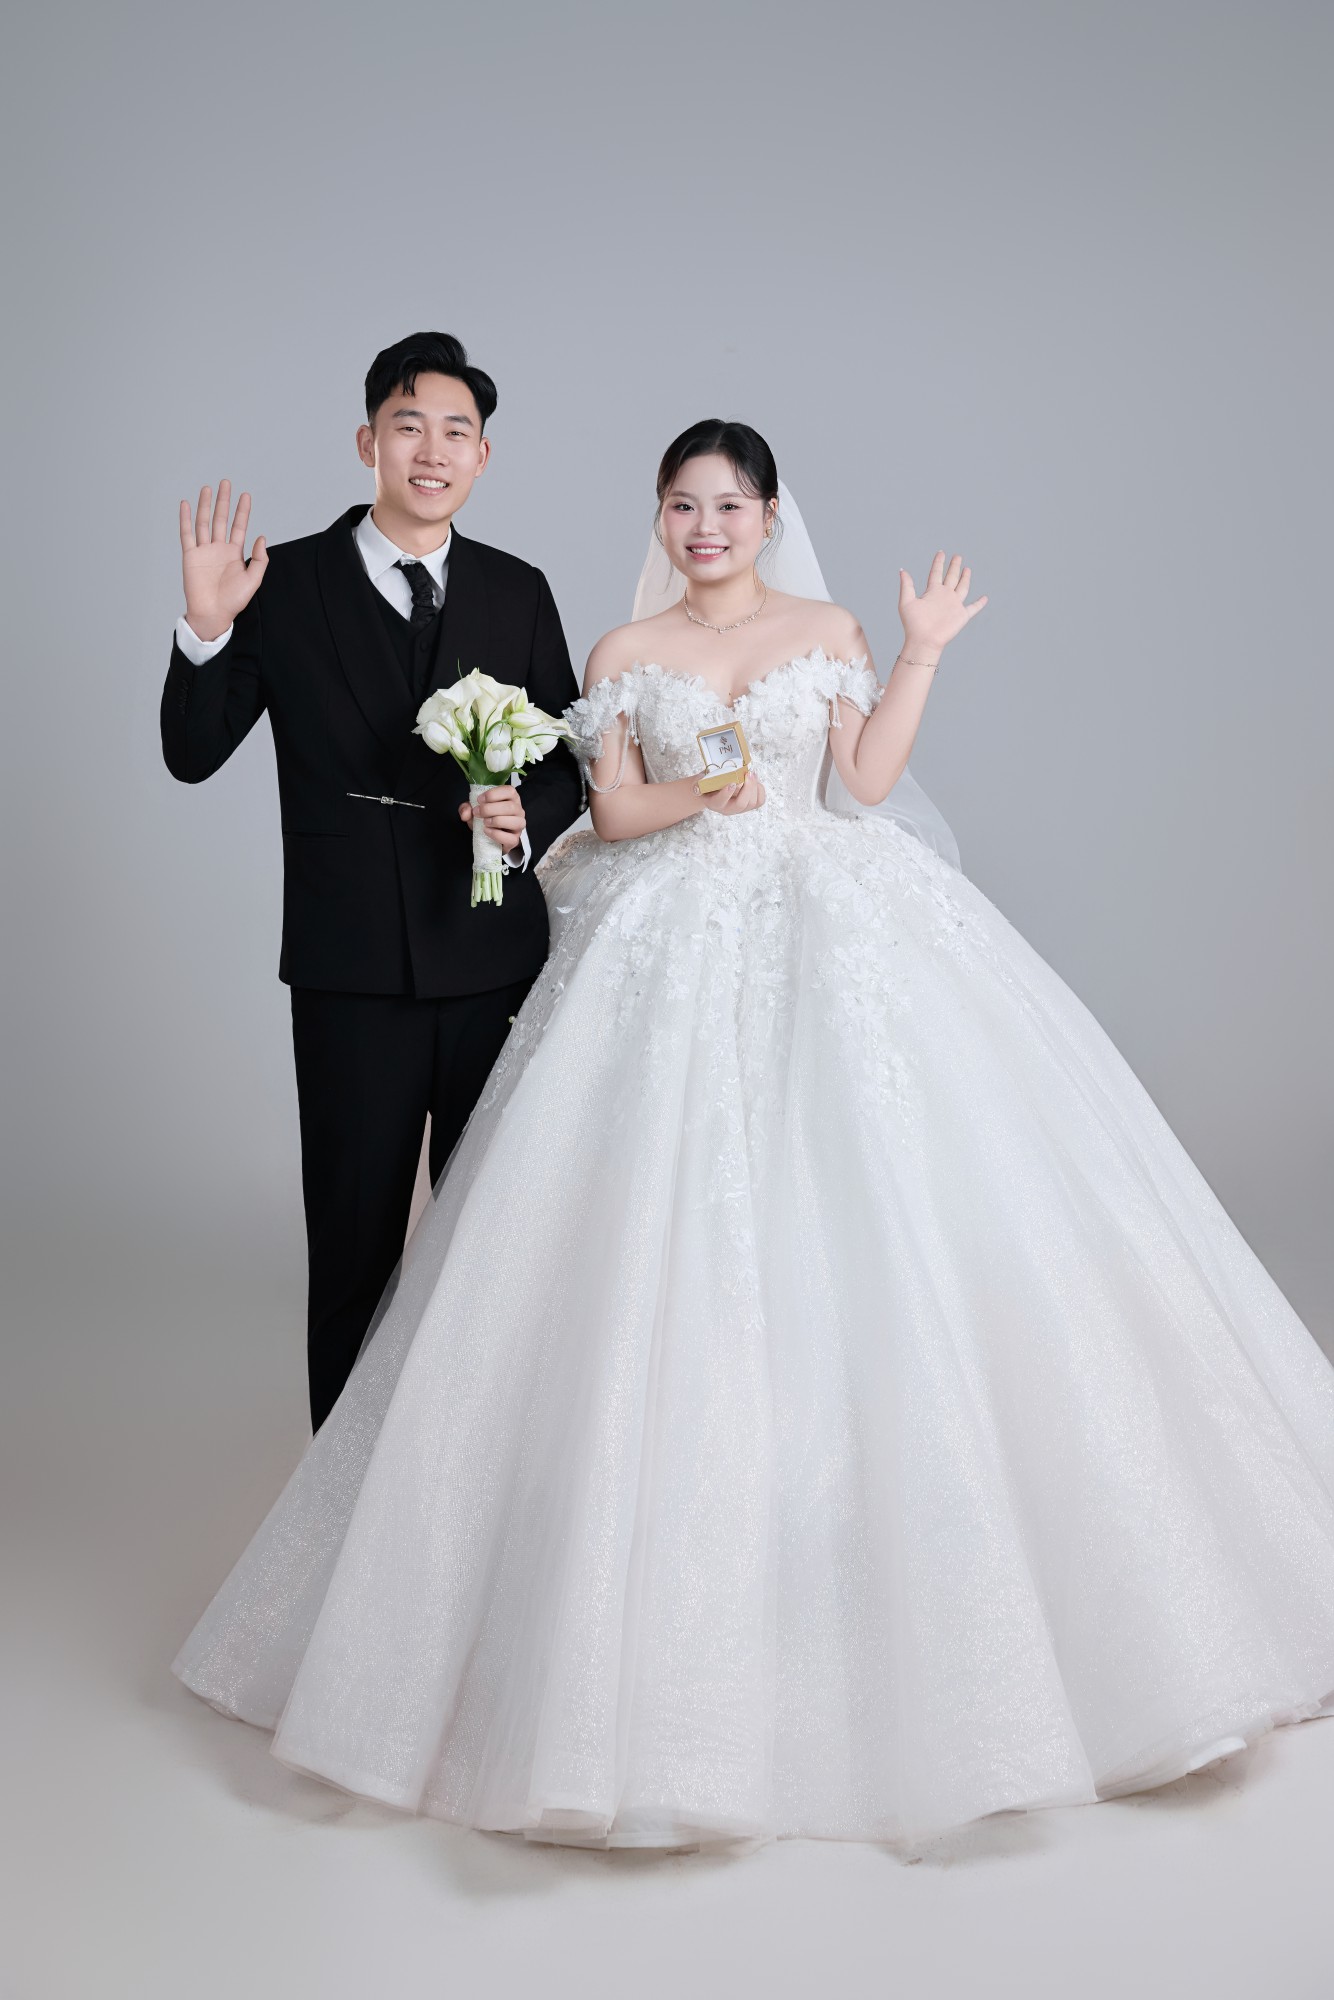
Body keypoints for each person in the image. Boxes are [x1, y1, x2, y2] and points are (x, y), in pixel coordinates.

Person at [173, 420, 1334, 1855]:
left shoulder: (827, 629)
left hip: (830, 923)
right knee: (653, 1250)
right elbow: (608, 812)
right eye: (681, 504)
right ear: (658, 520)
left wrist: (917, 656)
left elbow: (861, 784)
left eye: (728, 504)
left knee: (875, 1226)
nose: (704, 525)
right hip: (669, 920)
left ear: (771, 515)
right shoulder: (619, 650)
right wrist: (694, 796)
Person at [161, 332, 583, 1432]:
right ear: (367, 443)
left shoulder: (518, 589)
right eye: (408, 427)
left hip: (495, 968)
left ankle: (467, 1486)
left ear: (482, 455)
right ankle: (338, 1513)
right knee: (352, 1253)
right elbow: (191, 754)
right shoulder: (283, 582)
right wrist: (206, 629)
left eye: (456, 432)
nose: (431, 451)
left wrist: (518, 820)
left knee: (494, 1248)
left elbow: (568, 764)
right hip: (350, 976)